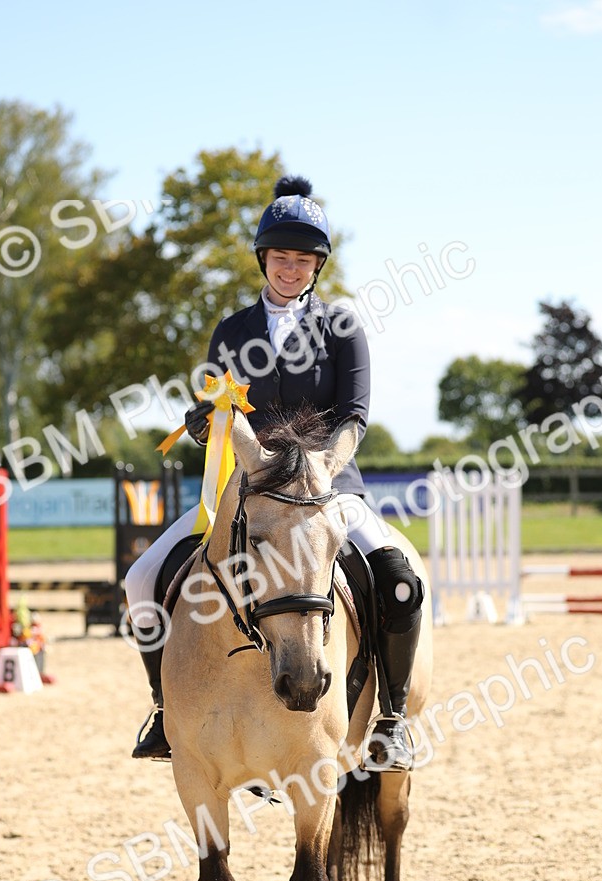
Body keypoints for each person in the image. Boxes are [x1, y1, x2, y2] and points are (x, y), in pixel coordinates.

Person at [125, 176, 424, 769]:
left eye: (303, 259)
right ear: (264, 259)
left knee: (398, 577)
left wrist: (323, 467)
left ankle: (390, 719)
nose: (290, 268)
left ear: (318, 265)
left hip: (327, 487)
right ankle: (165, 709)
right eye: (281, 257)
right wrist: (206, 423)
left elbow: (354, 415)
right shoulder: (232, 331)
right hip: (247, 487)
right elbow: (221, 410)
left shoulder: (342, 328)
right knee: (142, 578)